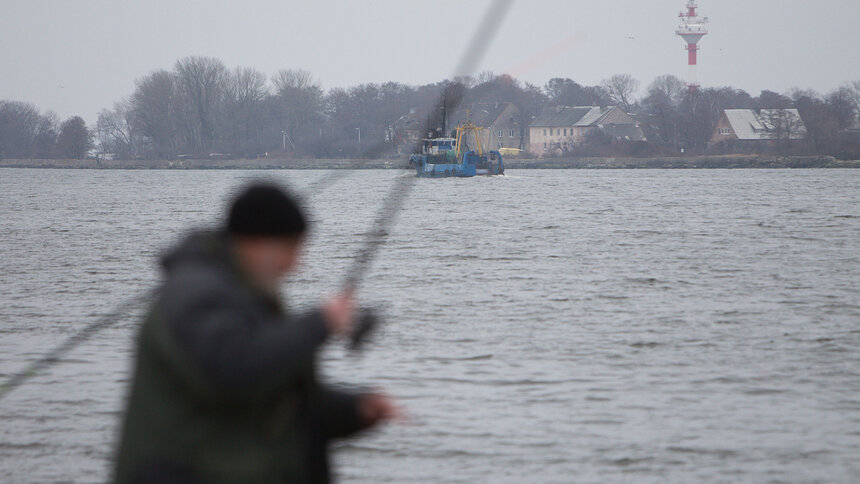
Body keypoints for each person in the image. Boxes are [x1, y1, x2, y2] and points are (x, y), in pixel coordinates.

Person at [114, 182, 399, 484]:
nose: (295, 265)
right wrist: (319, 323)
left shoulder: (240, 295)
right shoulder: (197, 295)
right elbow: (236, 370)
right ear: (257, 243)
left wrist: (355, 409)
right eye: (290, 249)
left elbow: (274, 398)